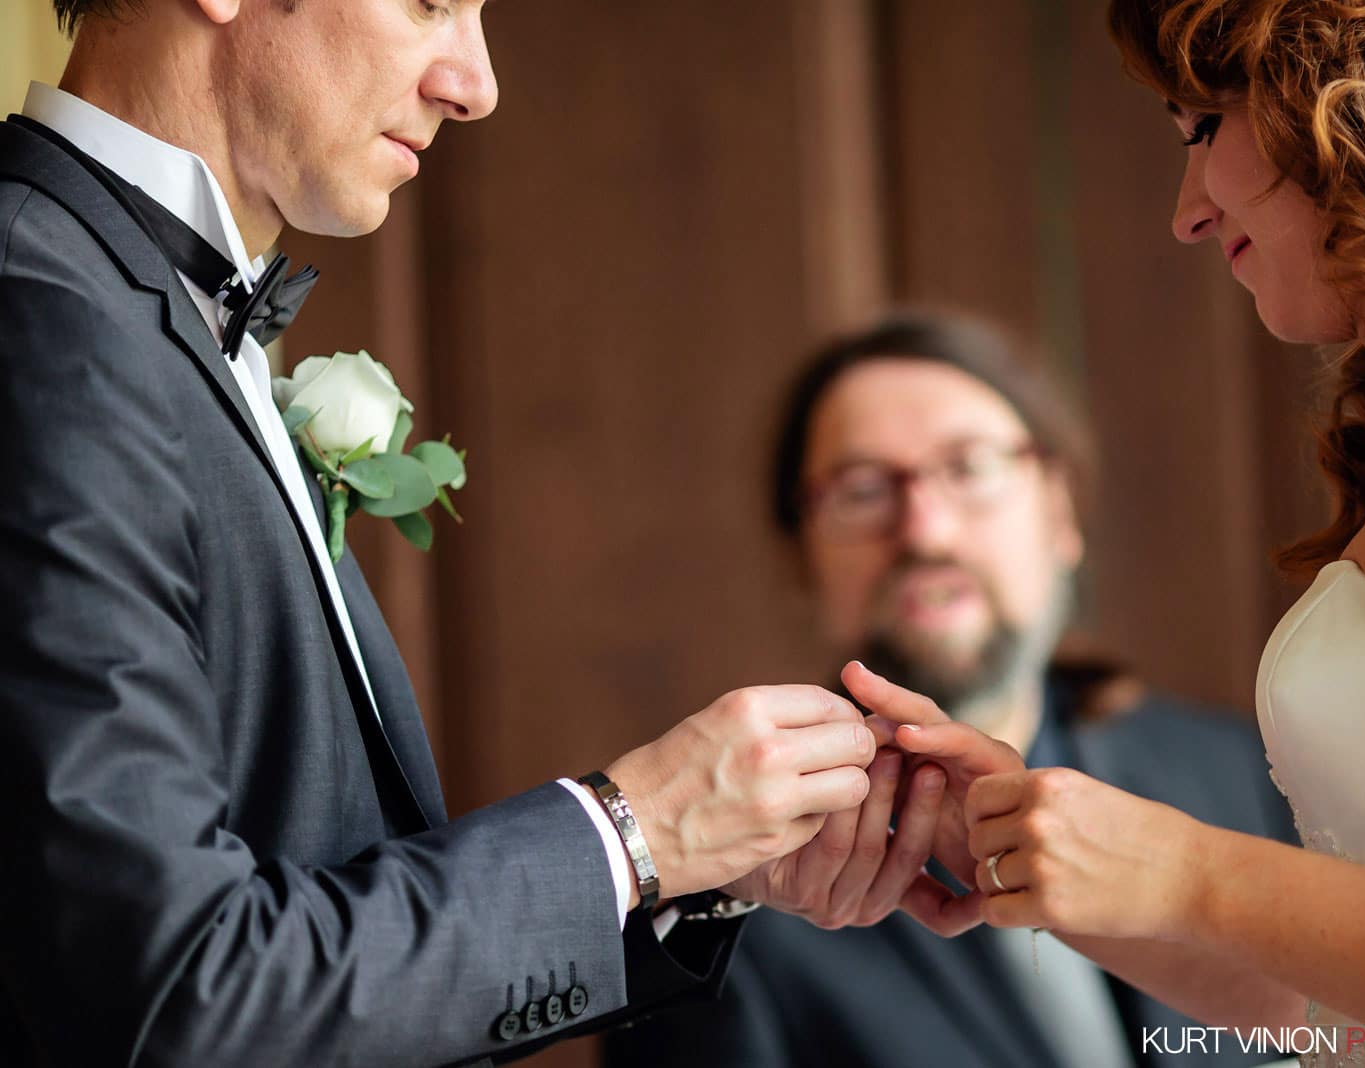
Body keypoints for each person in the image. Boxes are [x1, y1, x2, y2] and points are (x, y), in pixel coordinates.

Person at [0, 4, 957, 1065]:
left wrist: (690, 866)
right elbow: (176, 996)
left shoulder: (138, 308)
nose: (475, 82)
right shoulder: (40, 311)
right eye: (430, 4)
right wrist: (631, 834)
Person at [865, 3, 1365, 1064]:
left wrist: (1191, 872)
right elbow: (1351, 1013)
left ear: (1344, 107)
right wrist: (1034, 851)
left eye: (1200, 129)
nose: (1185, 215)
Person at [603, 314, 1298, 1068]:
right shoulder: (733, 898)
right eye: (862, 489)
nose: (926, 531)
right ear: (803, 558)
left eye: (971, 468)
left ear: (1059, 512)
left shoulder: (1242, 777)